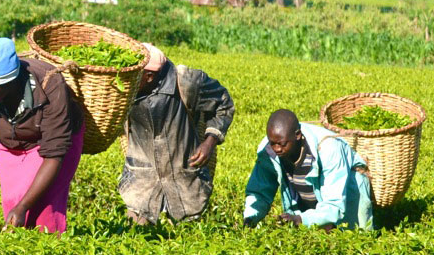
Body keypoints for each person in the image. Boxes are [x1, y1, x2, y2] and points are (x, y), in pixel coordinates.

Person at [0, 36, 85, 233]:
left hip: (51, 144)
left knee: (43, 213)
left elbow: (54, 153)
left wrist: (23, 206)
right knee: (12, 205)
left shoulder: (49, 84)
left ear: (10, 84)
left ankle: (51, 249)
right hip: (11, 143)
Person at [120, 43, 234, 225]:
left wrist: (210, 142)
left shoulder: (186, 81)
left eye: (135, 74)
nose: (127, 78)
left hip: (184, 178)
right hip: (142, 181)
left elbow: (223, 104)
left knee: (187, 234)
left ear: (149, 76)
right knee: (134, 232)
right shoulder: (123, 87)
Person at [243, 109, 374, 230]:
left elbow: (334, 204)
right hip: (310, 204)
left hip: (348, 197)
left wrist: (301, 220)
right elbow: (259, 191)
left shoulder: (329, 148)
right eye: (273, 143)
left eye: (282, 144)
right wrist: (250, 218)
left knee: (353, 236)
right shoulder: (268, 149)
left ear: (297, 135)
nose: (276, 149)